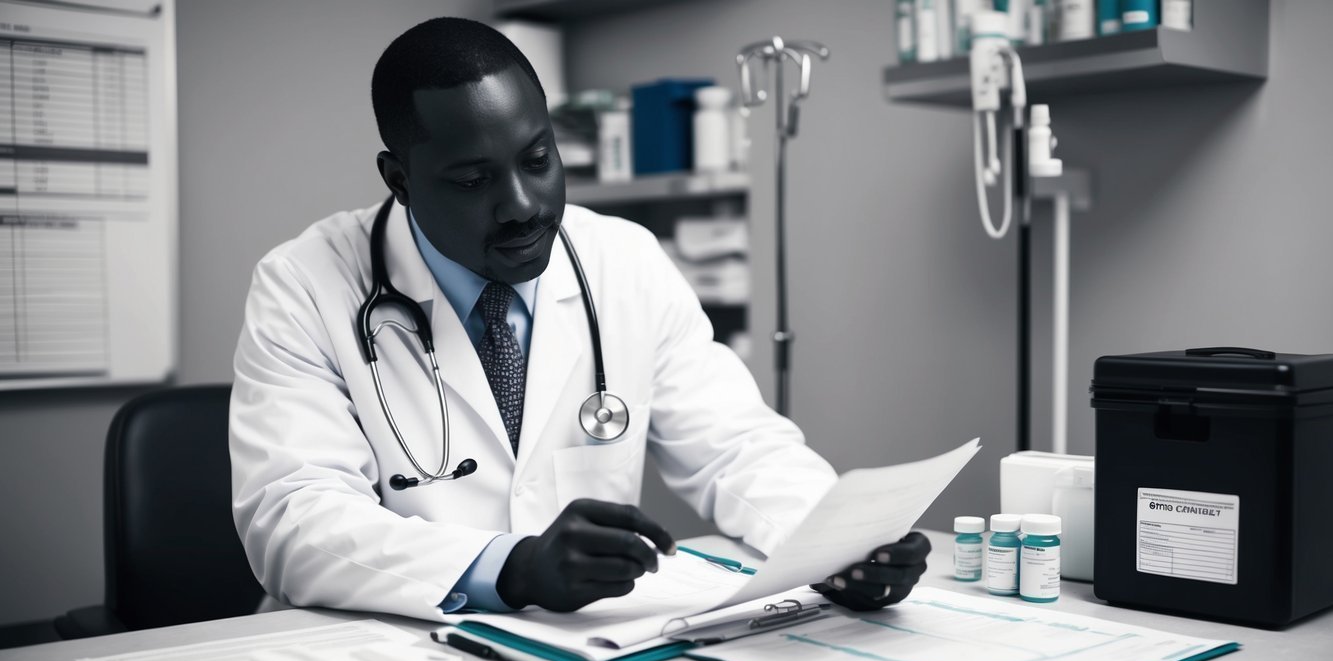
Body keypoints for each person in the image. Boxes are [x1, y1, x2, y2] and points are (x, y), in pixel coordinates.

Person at [229, 16, 930, 621]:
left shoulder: (621, 260)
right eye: (472, 181)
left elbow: (734, 448)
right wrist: (511, 567)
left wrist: (841, 545)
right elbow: (293, 519)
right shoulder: (303, 286)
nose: (522, 205)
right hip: (374, 654)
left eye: (538, 160)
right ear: (399, 179)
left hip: (583, 649)